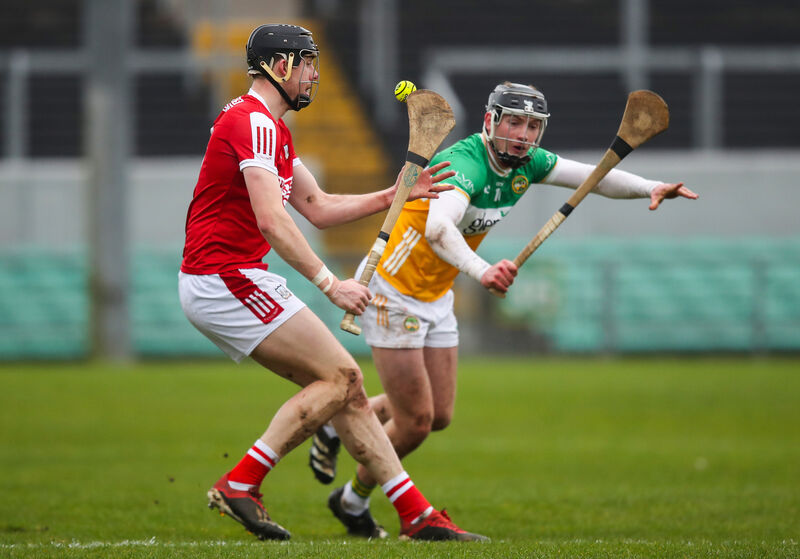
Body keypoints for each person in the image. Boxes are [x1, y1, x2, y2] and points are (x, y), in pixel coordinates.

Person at [309, 81, 699, 536]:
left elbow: (595, 177)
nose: (523, 135)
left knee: (439, 415)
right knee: (415, 422)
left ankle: (337, 425)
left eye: (532, 126)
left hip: (436, 293)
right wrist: (483, 271)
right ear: (490, 121)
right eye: (514, 122)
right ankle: (353, 501)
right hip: (392, 291)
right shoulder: (464, 164)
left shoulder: (529, 162)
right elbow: (438, 228)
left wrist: (651, 186)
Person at [178, 23, 489, 542]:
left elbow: (317, 207)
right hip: (223, 277)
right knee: (342, 377)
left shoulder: (272, 129)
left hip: (233, 276)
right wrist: (331, 284)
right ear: (280, 66)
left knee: (348, 388)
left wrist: (394, 195)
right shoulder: (253, 123)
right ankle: (242, 482)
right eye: (306, 64)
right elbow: (272, 220)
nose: (313, 75)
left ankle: (416, 515)